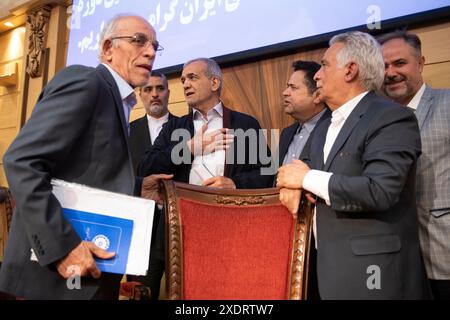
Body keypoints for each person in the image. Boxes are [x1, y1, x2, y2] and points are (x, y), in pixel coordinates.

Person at [0, 14, 170, 300]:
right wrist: (62, 246)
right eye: (139, 40)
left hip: (91, 269)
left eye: (155, 45)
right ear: (107, 48)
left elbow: (86, 170)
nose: (151, 51)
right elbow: (22, 161)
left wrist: (140, 185)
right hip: (59, 272)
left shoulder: (118, 99)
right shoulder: (86, 81)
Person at [277, 31, 430, 299]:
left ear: (350, 70)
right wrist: (292, 184)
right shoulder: (324, 125)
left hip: (375, 274)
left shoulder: (392, 117)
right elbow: (298, 171)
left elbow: (380, 190)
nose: (317, 75)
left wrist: (305, 180)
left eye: (324, 65)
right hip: (327, 269)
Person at [379, 30, 450, 300]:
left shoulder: (447, 103)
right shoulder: (377, 119)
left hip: (445, 254)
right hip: (399, 263)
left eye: (399, 63)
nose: (390, 72)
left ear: (421, 63)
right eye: (384, 66)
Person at [138, 57, 270, 189]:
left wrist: (235, 183)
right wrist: (187, 149)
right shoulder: (173, 126)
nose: (185, 85)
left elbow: (268, 172)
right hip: (185, 207)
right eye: (183, 80)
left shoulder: (246, 124)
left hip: (232, 206)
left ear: (214, 83)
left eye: (192, 78)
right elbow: (145, 167)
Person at [274, 60, 330, 186]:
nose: (285, 92)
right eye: (288, 86)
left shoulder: (333, 127)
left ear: (317, 95)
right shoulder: (287, 133)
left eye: (293, 87)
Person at [129, 72, 177, 174]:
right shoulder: (128, 131)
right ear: (140, 95)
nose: (155, 94)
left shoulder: (184, 126)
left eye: (160, 88)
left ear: (168, 93)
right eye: (148, 89)